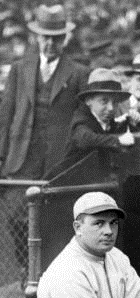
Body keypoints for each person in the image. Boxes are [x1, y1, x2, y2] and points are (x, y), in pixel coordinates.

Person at [0, 4, 88, 180]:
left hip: (59, 162)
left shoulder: (78, 73)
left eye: (56, 38)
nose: (50, 43)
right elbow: (6, 115)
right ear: (37, 37)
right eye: (46, 37)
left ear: (64, 38)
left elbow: (83, 118)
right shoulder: (19, 69)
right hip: (20, 160)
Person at [45, 68, 134, 178]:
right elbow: (86, 138)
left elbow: (109, 131)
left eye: (114, 102)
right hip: (67, 181)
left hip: (94, 180)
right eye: (104, 101)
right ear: (88, 100)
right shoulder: (81, 120)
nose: (111, 108)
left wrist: (131, 122)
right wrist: (118, 140)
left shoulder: (106, 120)